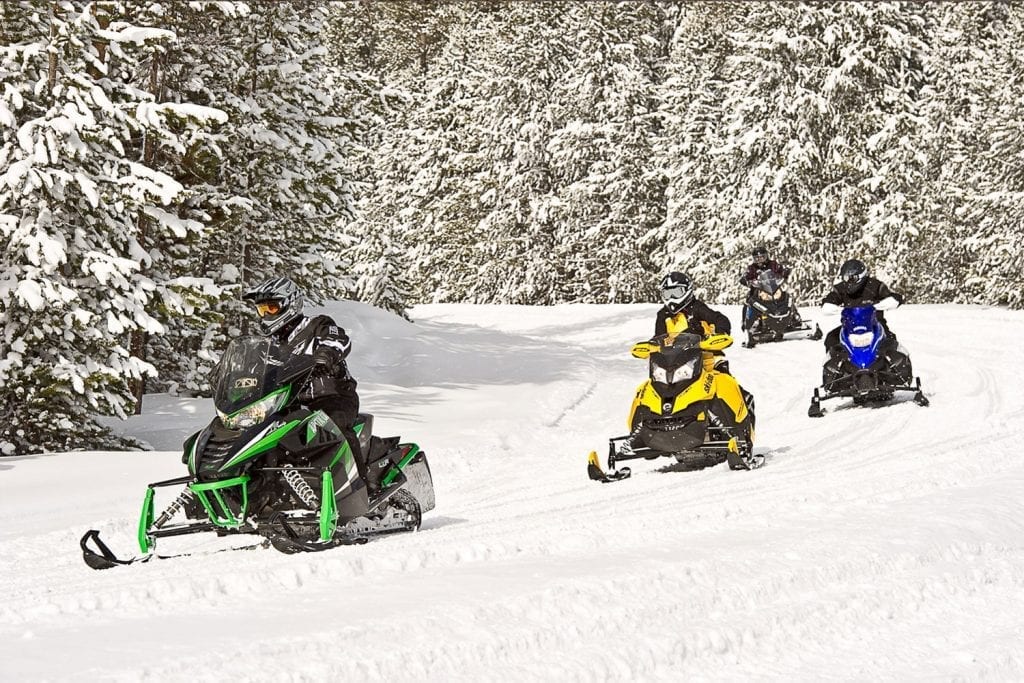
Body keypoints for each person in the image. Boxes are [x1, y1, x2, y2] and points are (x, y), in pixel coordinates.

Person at [242, 276, 370, 490]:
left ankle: (361, 487)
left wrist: (326, 354)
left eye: (271, 308)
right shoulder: (268, 346)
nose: (265, 315)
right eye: (262, 310)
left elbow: (337, 339)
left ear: (290, 304)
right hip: (289, 404)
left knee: (331, 427)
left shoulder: (316, 325)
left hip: (332, 397)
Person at [820, 259, 910, 384]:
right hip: (850, 326)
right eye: (845, 277)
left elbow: (891, 295)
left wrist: (891, 300)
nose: (848, 281)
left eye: (852, 278)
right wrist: (829, 304)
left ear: (861, 275)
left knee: (890, 341)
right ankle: (836, 378)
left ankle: (897, 374)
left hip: (875, 324)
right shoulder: (841, 288)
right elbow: (830, 298)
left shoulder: (875, 286)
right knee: (831, 339)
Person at [655, 271, 732, 373]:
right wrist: (652, 346)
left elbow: (719, 319)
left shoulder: (696, 308)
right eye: (668, 294)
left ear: (687, 290)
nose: (672, 298)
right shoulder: (663, 315)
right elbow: (658, 337)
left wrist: (720, 333)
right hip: (675, 360)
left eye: (677, 292)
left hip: (706, 354)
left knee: (721, 371)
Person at [739, 246, 791, 331]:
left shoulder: (773, 264)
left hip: (773, 289)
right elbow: (747, 275)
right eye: (757, 258)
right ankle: (747, 323)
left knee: (786, 297)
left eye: (762, 257)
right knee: (748, 301)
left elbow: (780, 270)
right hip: (758, 291)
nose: (759, 260)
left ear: (766, 256)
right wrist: (745, 280)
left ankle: (795, 317)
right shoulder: (752, 268)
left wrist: (785, 272)